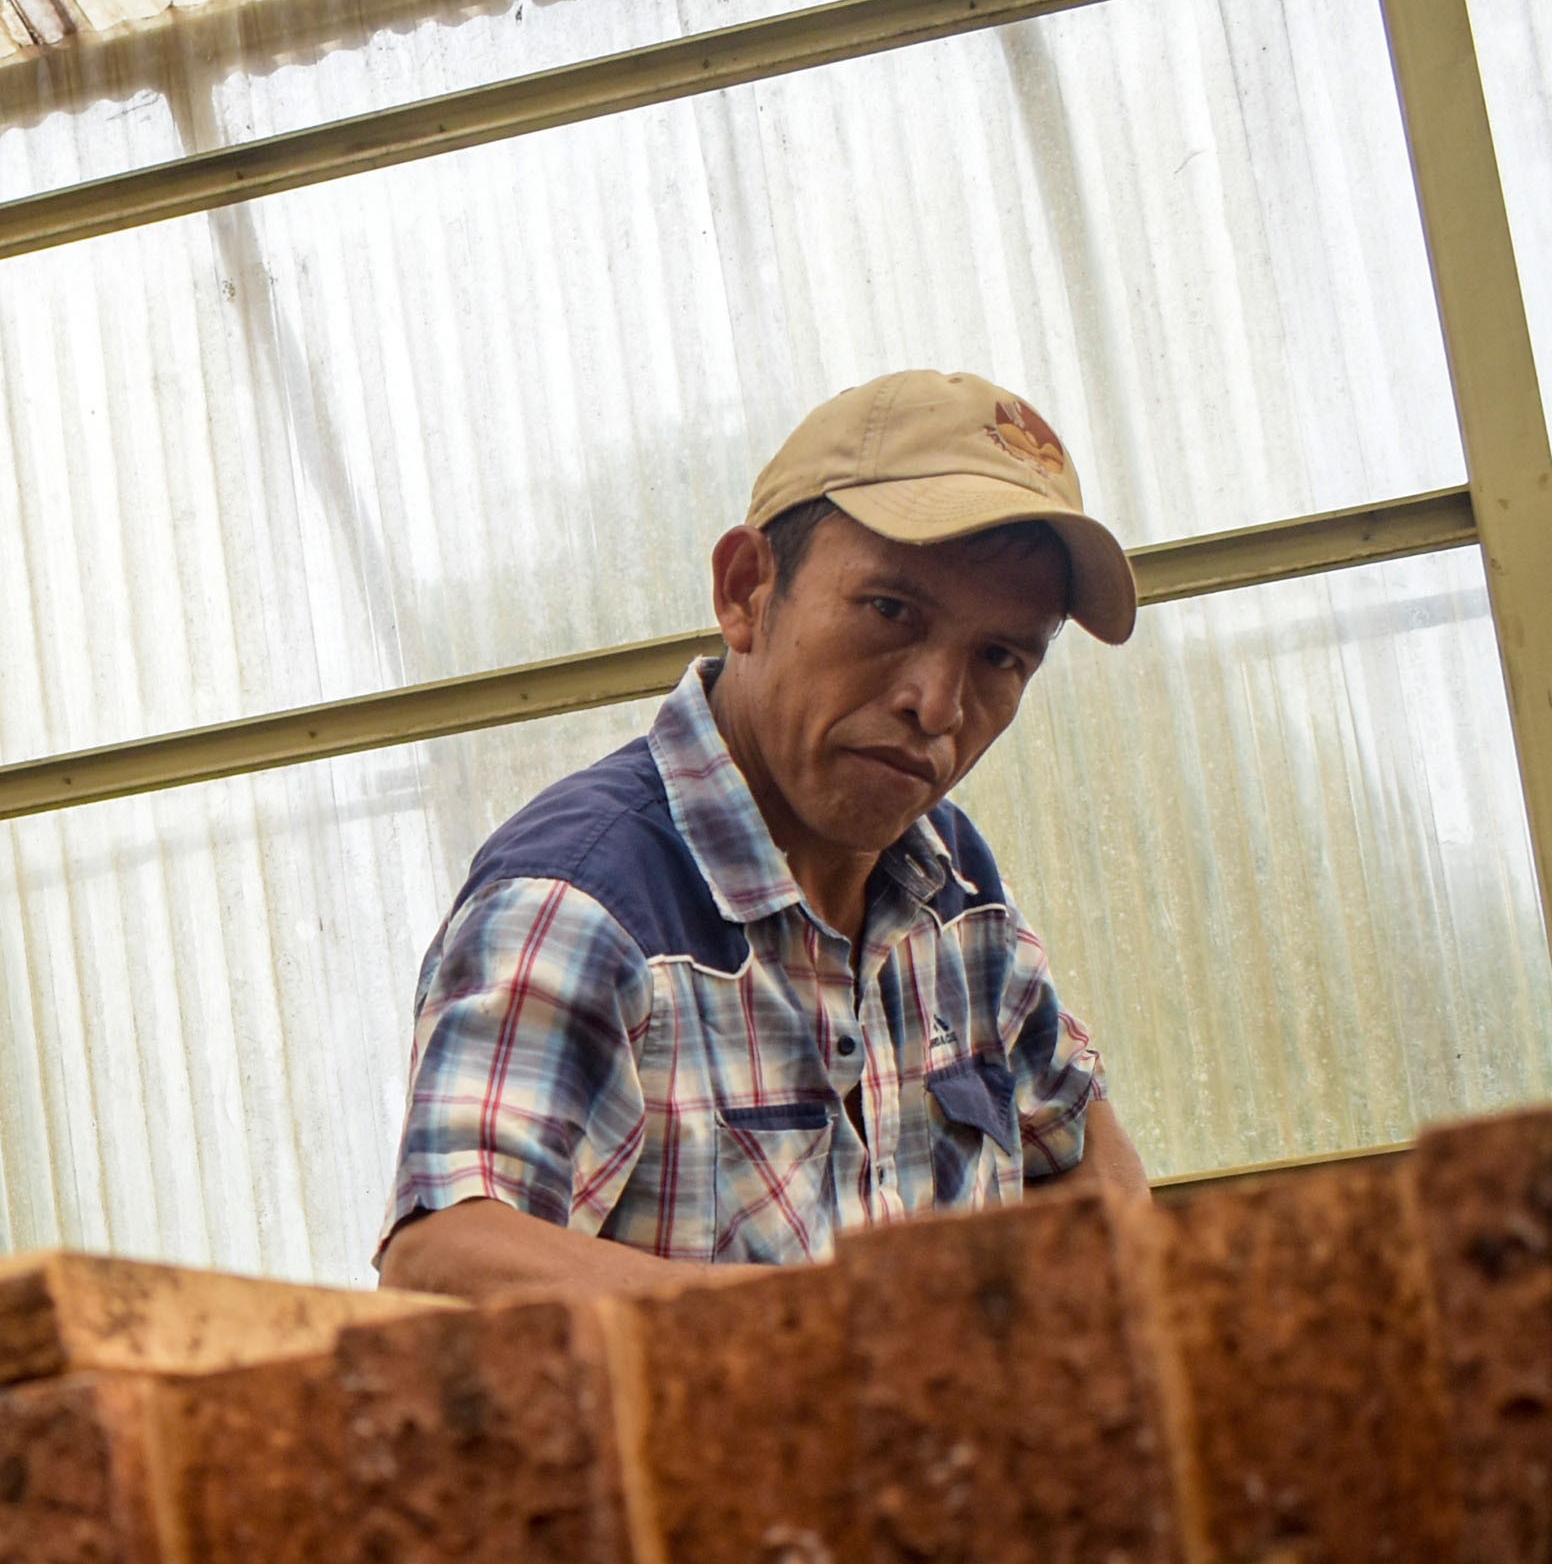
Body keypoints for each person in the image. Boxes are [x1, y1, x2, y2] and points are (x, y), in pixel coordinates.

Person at [378, 370, 1148, 1301]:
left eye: (999, 657)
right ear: (745, 590)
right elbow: (443, 1263)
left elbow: (1088, 1153)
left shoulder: (952, 887)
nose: (936, 705)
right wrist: (829, 1351)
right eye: (890, 611)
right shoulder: (584, 905)